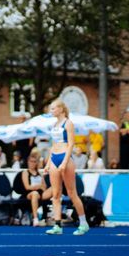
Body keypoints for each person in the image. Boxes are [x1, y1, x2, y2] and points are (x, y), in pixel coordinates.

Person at [43, 99, 89, 235]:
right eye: (50, 109)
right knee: (55, 194)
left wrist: (64, 162)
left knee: (71, 193)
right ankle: (57, 225)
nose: (51, 111)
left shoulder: (68, 123)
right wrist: (48, 163)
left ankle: (83, 223)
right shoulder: (54, 124)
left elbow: (70, 144)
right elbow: (53, 145)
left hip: (65, 158)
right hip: (54, 159)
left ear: (61, 109)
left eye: (53, 108)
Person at [22, 150, 52, 227]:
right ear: (28, 162)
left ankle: (53, 215)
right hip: (30, 193)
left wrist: (42, 188)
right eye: (31, 161)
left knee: (54, 189)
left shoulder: (39, 173)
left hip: (41, 193)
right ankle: (35, 219)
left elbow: (44, 186)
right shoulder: (25, 172)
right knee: (35, 194)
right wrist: (39, 186)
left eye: (34, 162)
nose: (32, 163)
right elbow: (27, 187)